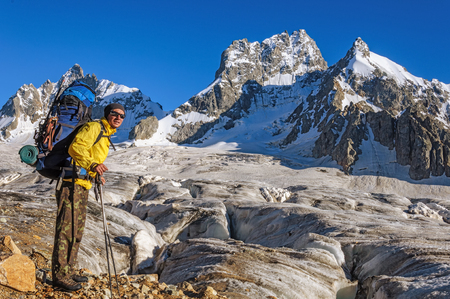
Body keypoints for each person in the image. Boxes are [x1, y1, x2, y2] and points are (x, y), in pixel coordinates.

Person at [52, 103, 126, 291]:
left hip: (82, 184)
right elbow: (76, 148)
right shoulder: (94, 127)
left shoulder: (106, 134)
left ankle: (69, 271)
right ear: (107, 114)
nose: (118, 118)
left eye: (122, 116)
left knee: (76, 230)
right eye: (114, 114)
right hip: (71, 183)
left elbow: (90, 157)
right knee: (66, 229)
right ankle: (60, 276)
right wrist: (92, 165)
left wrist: (95, 174)